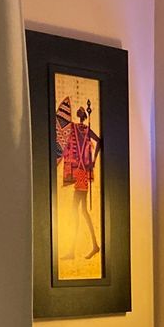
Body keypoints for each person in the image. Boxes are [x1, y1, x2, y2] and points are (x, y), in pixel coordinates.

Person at [55, 96, 103, 261]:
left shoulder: (77, 128)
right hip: (82, 172)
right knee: (81, 211)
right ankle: (92, 246)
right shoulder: (82, 129)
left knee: (77, 211)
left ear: (80, 116)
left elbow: (99, 142)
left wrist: (93, 161)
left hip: (82, 173)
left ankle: (77, 249)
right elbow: (98, 142)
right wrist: (93, 161)